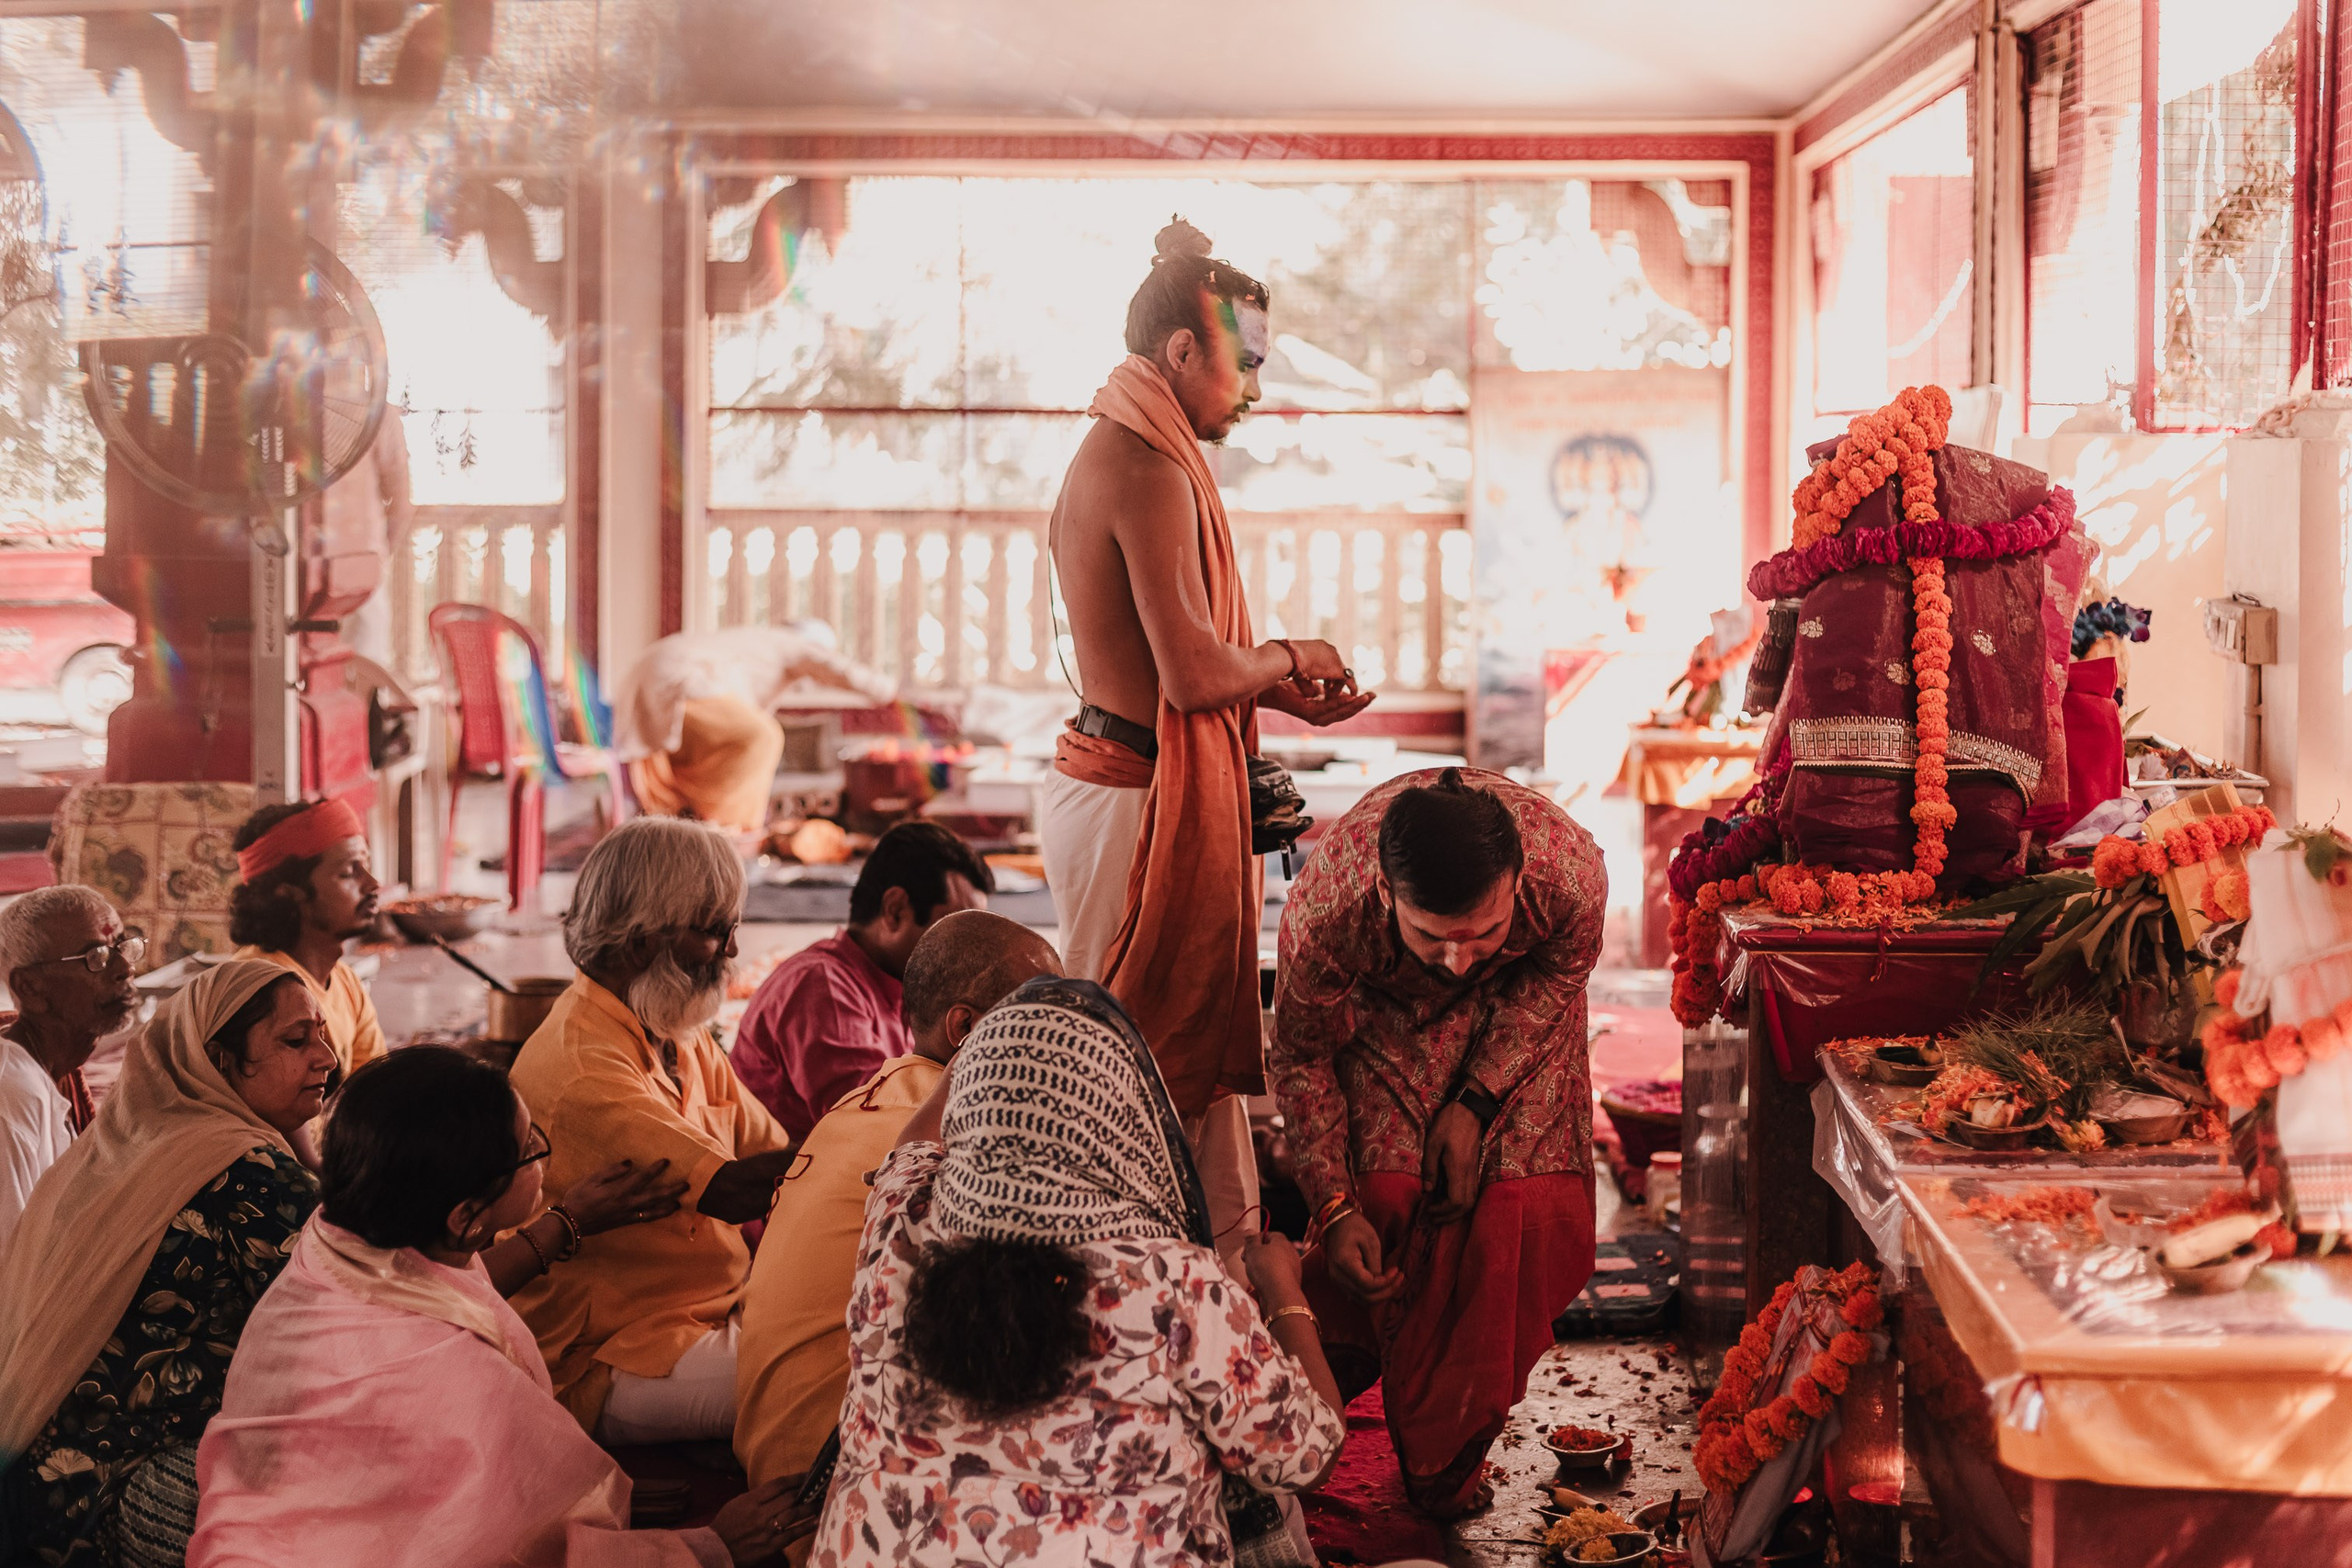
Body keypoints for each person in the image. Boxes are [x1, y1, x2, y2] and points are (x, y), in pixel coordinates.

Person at [1041, 217, 1371, 1266]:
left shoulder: (1134, 446)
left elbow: (1175, 672)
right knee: (1123, 1072)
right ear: (1181, 352)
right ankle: (1135, 1291)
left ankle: (1220, 1278)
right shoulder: (1145, 465)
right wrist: (1287, 653)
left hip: (1129, 779)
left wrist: (1269, 692)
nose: (1257, 388)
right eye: (1248, 362)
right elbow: (1191, 675)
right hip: (1133, 798)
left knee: (1180, 1076)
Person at [188, 1046, 813, 1568]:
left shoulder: (332, 1243)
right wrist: (710, 1546)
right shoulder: (461, 1380)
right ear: (467, 1219)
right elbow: (519, 1551)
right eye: (531, 1150)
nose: (546, 1154)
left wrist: (575, 1495)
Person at [808, 976, 1347, 1568]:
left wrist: (992, 1043)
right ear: (1128, 1117)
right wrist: (1283, 1289)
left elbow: (909, 1148)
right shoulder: (1169, 1280)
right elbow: (1308, 1458)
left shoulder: (898, 1226)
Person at [1271, 767, 1607, 1518]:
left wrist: (1476, 1101)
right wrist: (1332, 1206)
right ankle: (1339, 1350)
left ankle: (1443, 1449)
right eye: (1433, 935)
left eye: (1481, 932)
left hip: (1518, 1005)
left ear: (1519, 884)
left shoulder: (1571, 874)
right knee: (1387, 1196)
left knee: (1515, 1210)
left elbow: (1558, 977)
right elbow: (1299, 1055)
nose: (1458, 959)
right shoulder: (1330, 908)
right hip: (1388, 1013)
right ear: (1386, 898)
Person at [0, 961, 332, 1566]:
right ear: (221, 1060)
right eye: (295, 1040)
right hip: (118, 1494)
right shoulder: (252, 1174)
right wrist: (560, 1228)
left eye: (322, 1034)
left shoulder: (120, 1146)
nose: (326, 1057)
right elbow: (365, 1322)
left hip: (37, 1485)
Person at [733, 909, 1060, 1493]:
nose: (1061, 1041)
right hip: (830, 1485)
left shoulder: (875, 1095)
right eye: (1043, 1016)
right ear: (966, 1029)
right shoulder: (958, 1132)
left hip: (776, 1453)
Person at [509, 816, 798, 1443]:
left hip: (712, 1309)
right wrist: (889, 1138)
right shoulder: (583, 1066)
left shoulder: (672, 1030)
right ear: (641, 941)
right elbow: (735, 1187)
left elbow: (774, 1153)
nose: (730, 952)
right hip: (615, 1352)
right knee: (830, 1375)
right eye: (714, 931)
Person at [730, 820, 994, 1142]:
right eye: (956, 935)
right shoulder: (821, 986)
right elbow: (877, 1127)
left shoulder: (902, 985)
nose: (966, 956)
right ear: (895, 910)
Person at [615, 623, 896, 832]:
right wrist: (890, 692)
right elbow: (838, 669)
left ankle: (683, 829)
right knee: (762, 737)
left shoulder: (755, 642)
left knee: (711, 755)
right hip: (681, 680)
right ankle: (732, 834)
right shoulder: (791, 643)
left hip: (642, 678)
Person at [227, 798, 387, 1123]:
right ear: (289, 892)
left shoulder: (344, 981)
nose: (372, 884)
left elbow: (378, 1093)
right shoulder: (266, 990)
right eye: (348, 873)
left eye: (366, 865)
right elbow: (283, 1131)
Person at [0, 886, 140, 1250]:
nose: (125, 969)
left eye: (123, 948)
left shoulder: (54, 1072)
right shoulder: (11, 1098)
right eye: (96, 957)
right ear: (30, 988)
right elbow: (13, 1274)